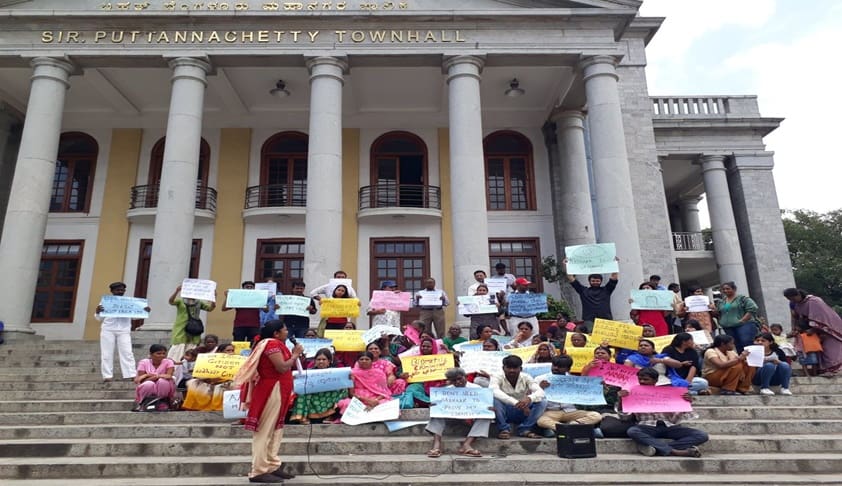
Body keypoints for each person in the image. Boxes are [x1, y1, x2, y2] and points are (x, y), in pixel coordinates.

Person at [232, 319, 303, 483]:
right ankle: (258, 470)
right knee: (265, 429)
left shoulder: (275, 344)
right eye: (285, 329)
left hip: (279, 389)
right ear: (276, 333)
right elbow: (282, 367)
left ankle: (272, 465)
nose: (287, 332)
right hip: (271, 390)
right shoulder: (271, 344)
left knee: (275, 429)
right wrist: (295, 354)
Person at [621, 367, 708, 457]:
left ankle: (658, 449)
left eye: (646, 379)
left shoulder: (668, 393)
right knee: (633, 431)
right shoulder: (632, 393)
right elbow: (625, 417)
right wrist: (622, 400)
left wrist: (686, 402)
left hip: (669, 426)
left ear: (655, 380)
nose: (642, 381)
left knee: (701, 435)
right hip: (646, 427)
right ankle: (675, 451)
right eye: (640, 379)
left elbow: (675, 419)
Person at [425, 367, 492, 458]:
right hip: (451, 418)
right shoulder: (446, 391)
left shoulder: (477, 389)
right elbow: (438, 407)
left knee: (486, 416)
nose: (457, 382)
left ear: (465, 377)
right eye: (454, 380)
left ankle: (467, 444)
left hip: (471, 419)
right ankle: (436, 444)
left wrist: (488, 408)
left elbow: (484, 405)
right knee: (436, 411)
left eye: (459, 379)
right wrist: (433, 406)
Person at [535, 355, 602, 436]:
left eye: (560, 367)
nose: (555, 368)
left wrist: (598, 386)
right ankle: (576, 429)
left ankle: (566, 428)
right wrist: (541, 388)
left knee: (596, 416)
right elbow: (532, 398)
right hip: (551, 411)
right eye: (554, 365)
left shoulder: (573, 380)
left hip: (571, 411)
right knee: (541, 421)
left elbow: (585, 394)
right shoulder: (540, 379)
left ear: (568, 369)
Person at [95, 281, 148, 382]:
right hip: (108, 330)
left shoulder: (129, 302)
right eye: (117, 290)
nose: (120, 292)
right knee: (107, 353)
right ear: (112, 291)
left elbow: (134, 317)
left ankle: (131, 374)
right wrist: (98, 312)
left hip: (124, 330)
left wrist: (144, 311)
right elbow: (99, 319)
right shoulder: (105, 302)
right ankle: (107, 376)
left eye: (122, 290)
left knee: (127, 352)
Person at [785, 288, 842, 376]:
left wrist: (814, 329)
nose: (792, 301)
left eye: (793, 298)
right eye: (789, 299)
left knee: (830, 349)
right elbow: (794, 317)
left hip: (829, 328)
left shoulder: (814, 301)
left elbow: (821, 317)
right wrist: (794, 329)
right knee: (817, 349)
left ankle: (833, 370)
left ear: (798, 295)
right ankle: (823, 370)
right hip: (811, 329)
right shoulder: (794, 304)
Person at [490, 355, 548, 439]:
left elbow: (540, 392)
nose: (512, 370)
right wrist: (516, 402)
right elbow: (494, 391)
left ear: (520, 369)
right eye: (509, 368)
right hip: (505, 410)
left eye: (515, 368)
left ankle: (525, 429)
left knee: (543, 401)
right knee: (495, 400)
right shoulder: (497, 377)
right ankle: (504, 429)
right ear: (503, 368)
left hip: (523, 410)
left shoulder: (526, 377)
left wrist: (530, 398)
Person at [289, 348, 348, 424]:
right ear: (315, 361)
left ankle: (331, 415)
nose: (321, 361)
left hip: (329, 395)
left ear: (329, 361)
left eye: (324, 359)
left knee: (343, 389)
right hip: (313, 395)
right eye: (318, 359)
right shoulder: (308, 372)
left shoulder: (335, 372)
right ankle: (302, 417)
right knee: (302, 393)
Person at [563, 258, 619, 331]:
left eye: (597, 281)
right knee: (591, 335)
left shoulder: (607, 290)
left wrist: (615, 264)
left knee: (607, 337)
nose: (595, 282)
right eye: (593, 281)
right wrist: (566, 265)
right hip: (589, 320)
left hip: (606, 319)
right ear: (589, 281)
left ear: (601, 281)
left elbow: (614, 277)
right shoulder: (583, 291)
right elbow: (571, 278)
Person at [339, 352, 403, 413]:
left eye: (367, 359)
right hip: (359, 399)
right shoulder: (352, 373)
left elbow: (384, 392)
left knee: (388, 404)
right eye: (361, 359)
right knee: (345, 403)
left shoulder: (379, 373)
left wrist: (375, 401)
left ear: (372, 361)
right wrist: (367, 401)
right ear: (358, 361)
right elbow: (351, 393)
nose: (364, 361)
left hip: (376, 399)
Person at [167, 284, 216, 360]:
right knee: (179, 346)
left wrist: (213, 298)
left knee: (192, 346)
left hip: (194, 327)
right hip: (181, 326)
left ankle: (188, 362)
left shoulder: (199, 302)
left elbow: (210, 308)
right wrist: (177, 291)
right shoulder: (181, 301)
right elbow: (171, 301)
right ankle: (175, 363)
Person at [713, 281, 759, 353]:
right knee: (736, 345)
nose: (725, 291)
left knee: (747, 343)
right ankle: (742, 359)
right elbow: (719, 314)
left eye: (728, 289)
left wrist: (743, 320)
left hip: (744, 325)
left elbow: (753, 308)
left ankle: (752, 359)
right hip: (728, 327)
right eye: (723, 289)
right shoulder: (721, 302)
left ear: (734, 289)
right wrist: (714, 310)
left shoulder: (743, 298)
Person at [133, 344, 176, 412]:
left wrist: (156, 376)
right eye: (158, 353)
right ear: (151, 354)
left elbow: (168, 376)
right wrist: (148, 376)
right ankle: (145, 403)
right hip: (148, 385)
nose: (162, 355)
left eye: (164, 353)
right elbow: (140, 380)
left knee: (162, 382)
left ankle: (163, 402)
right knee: (148, 384)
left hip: (164, 385)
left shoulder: (169, 362)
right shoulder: (143, 362)